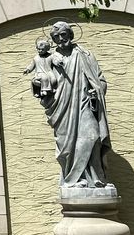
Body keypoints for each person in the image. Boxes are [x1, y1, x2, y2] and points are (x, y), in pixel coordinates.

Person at [41, 21, 111, 189]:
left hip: (85, 103)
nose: (60, 39)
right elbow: (40, 79)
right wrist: (41, 82)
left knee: (92, 137)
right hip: (61, 107)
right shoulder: (50, 58)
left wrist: (96, 90)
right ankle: (74, 179)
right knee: (67, 147)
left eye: (63, 35)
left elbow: (100, 79)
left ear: (70, 35)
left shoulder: (84, 55)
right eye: (56, 37)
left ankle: (96, 178)